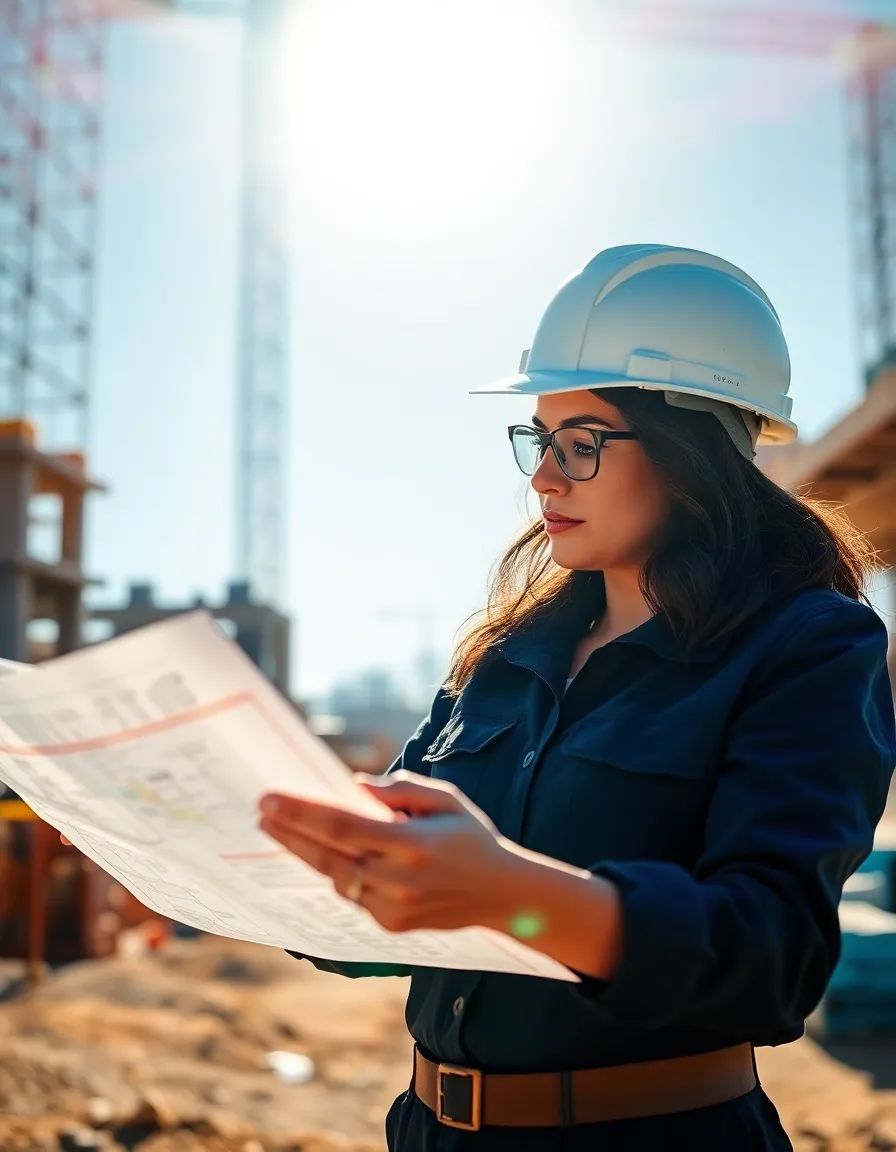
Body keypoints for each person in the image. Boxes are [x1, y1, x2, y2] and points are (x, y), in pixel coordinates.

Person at [258, 245, 896, 1150]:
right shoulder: (504, 656)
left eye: (582, 444)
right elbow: (379, 916)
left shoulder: (807, 647)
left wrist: (507, 889)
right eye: (540, 439)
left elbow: (773, 960)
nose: (544, 477)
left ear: (695, 451)